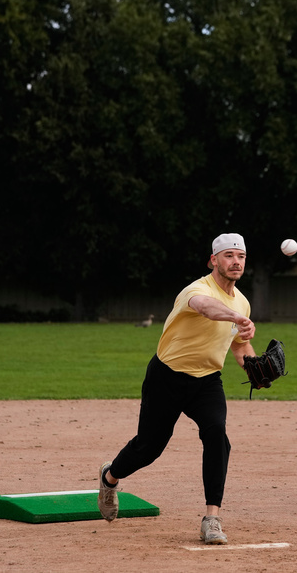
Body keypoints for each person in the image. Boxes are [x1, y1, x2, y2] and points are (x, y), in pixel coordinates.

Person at [98, 232, 257, 545]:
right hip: (166, 377)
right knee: (149, 447)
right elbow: (207, 308)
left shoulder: (242, 302)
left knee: (216, 433)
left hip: (207, 381)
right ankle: (109, 477)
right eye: (228, 256)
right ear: (214, 260)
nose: (235, 262)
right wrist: (237, 317)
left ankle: (212, 519)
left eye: (240, 257)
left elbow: (240, 348)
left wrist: (256, 369)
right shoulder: (196, 290)